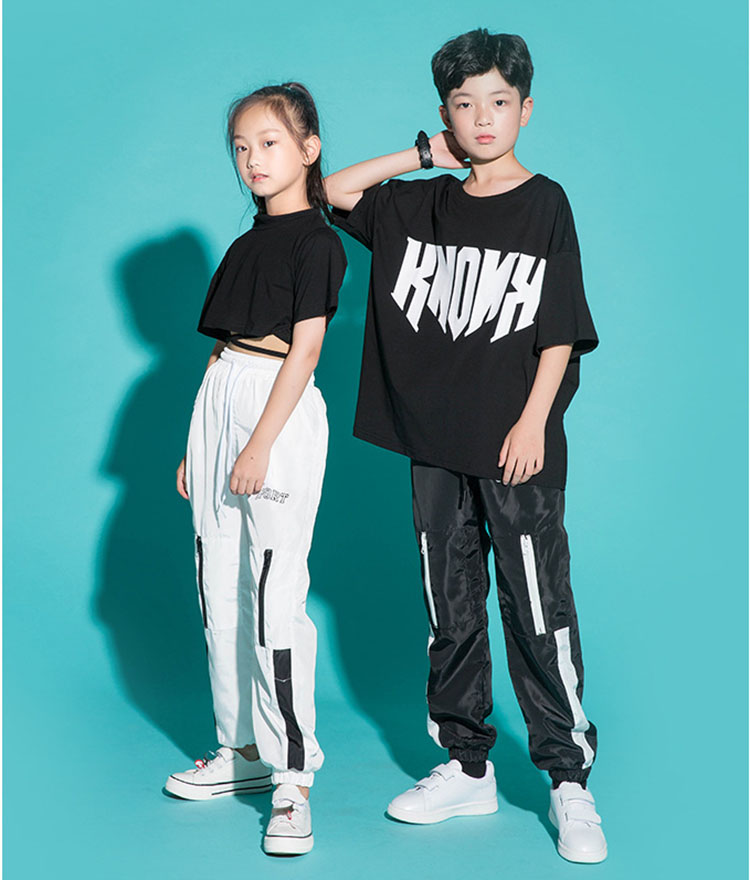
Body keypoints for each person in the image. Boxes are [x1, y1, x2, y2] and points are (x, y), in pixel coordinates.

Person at [324, 29, 607, 864]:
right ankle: (467, 766)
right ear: (444, 114)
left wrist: (533, 420)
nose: (483, 118)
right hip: (434, 445)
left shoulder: (545, 202)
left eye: (498, 101)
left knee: (537, 610)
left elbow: (560, 330)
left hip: (516, 446)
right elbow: (332, 190)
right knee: (449, 610)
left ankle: (568, 780)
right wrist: (422, 156)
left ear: (526, 108)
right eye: (464, 103)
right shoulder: (422, 204)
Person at [164, 81, 347, 857]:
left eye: (269, 143)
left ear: (308, 149)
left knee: (275, 593)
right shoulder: (245, 245)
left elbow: (304, 352)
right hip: (222, 401)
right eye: (241, 147)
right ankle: (240, 750)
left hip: (278, 408)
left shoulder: (319, 243)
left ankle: (292, 779)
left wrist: (258, 443)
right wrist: (197, 441)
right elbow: (224, 346)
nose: (252, 160)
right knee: (219, 586)